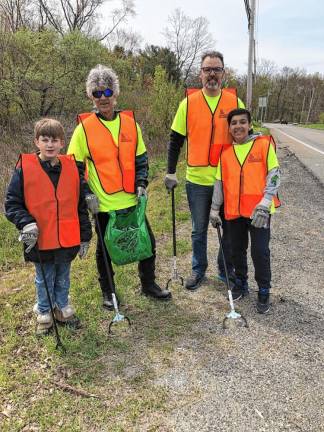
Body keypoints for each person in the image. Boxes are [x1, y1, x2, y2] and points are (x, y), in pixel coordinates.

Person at [68, 64, 171, 310]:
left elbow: (141, 159)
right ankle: (109, 292)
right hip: (103, 205)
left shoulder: (130, 124)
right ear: (90, 96)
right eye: (97, 93)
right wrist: (86, 194)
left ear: (116, 94)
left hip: (131, 201)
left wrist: (142, 183)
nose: (103, 98)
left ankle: (149, 284)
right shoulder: (83, 130)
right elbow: (74, 167)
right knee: (104, 250)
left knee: (147, 242)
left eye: (107, 92)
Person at [164, 51, 245, 290]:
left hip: (227, 180)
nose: (212, 74)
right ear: (200, 74)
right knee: (198, 230)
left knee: (228, 229)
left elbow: (244, 137)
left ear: (223, 73)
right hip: (197, 181)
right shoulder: (187, 104)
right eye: (207, 69)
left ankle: (224, 269)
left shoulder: (234, 103)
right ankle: (199, 270)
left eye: (216, 69)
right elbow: (175, 139)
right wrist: (170, 171)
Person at [5, 118, 92, 335]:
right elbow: (12, 204)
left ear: (63, 142)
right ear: (37, 142)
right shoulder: (24, 169)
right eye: (45, 140)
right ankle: (44, 314)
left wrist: (85, 235)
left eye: (55, 140)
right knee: (44, 277)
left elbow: (80, 206)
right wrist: (26, 223)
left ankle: (62, 308)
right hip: (40, 239)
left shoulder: (73, 168)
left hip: (67, 238)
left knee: (63, 275)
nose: (50, 144)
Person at [209, 108, 281, 313]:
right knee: (236, 251)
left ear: (250, 125)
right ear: (229, 128)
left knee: (260, 252)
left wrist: (266, 203)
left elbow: (274, 175)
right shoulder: (226, 154)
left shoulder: (264, 146)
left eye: (242, 122)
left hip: (259, 213)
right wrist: (214, 209)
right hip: (234, 213)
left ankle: (264, 290)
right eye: (234, 123)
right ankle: (241, 282)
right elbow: (219, 183)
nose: (238, 126)